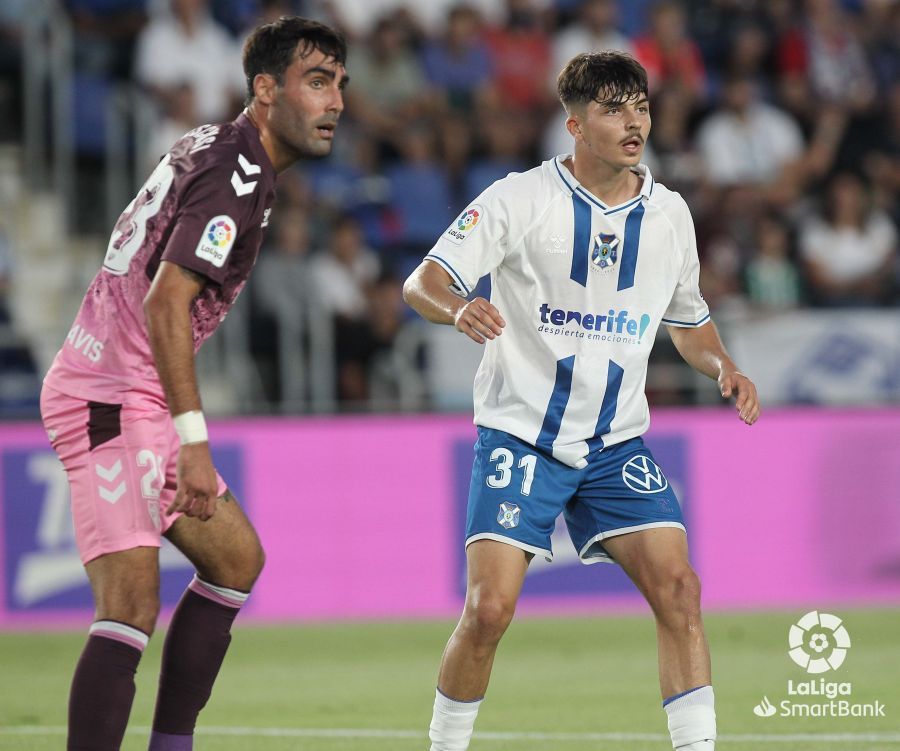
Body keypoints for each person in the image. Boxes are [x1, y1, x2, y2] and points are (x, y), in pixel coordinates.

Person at [403, 51, 760, 751]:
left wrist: (724, 364)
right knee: (489, 609)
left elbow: (689, 322)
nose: (634, 122)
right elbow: (422, 282)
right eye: (612, 108)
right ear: (573, 122)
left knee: (680, 589)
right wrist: (457, 308)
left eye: (642, 107)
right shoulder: (519, 199)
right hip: (521, 434)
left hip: (614, 444)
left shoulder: (670, 216)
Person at [39, 16, 348, 751]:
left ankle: (170, 743)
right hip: (108, 393)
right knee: (130, 603)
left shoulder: (230, 153)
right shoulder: (239, 171)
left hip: (124, 386)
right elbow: (165, 300)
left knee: (236, 559)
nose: (336, 100)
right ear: (266, 90)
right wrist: (194, 441)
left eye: (339, 83)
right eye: (316, 81)